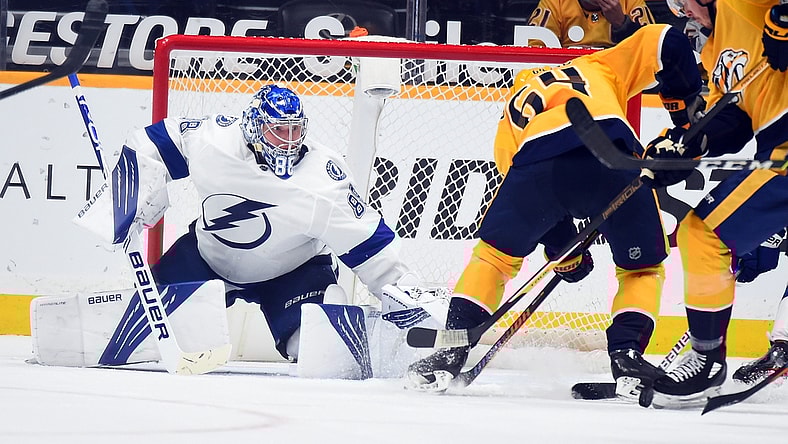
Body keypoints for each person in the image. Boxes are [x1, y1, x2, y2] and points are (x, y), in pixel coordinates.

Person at [406, 23, 704, 398]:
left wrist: (563, 249)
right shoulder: (601, 65)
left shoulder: (515, 102)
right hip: (612, 155)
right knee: (641, 270)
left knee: (493, 261)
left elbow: (518, 181)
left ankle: (450, 350)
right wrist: (684, 116)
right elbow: (666, 39)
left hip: (538, 165)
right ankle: (626, 353)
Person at [87, 84, 430, 362]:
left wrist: (408, 298)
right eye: (279, 131)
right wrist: (130, 195)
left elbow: (372, 247)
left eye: (295, 130)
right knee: (148, 333)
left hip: (292, 273)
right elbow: (148, 144)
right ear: (253, 127)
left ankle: (362, 331)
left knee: (320, 349)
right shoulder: (214, 142)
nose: (289, 140)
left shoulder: (323, 181)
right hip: (206, 259)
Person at [641, 0, 788, 407]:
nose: (681, 9)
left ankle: (707, 361)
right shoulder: (712, 49)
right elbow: (735, 121)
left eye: (684, 0)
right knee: (707, 235)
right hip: (777, 150)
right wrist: (690, 145)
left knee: (703, 233)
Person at [526, 0, 655, 48]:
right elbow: (532, 49)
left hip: (618, 78)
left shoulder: (631, 3)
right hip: (568, 78)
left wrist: (621, 23)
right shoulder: (555, 3)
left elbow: (653, 50)